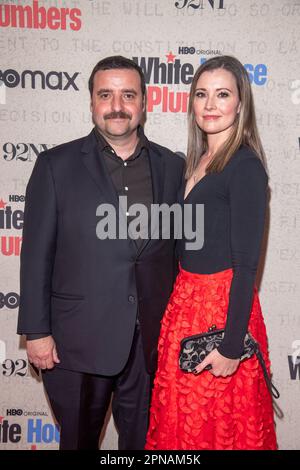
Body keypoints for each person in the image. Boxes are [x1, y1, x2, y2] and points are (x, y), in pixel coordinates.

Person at [17, 55, 185, 450]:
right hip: (76, 344)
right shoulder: (55, 165)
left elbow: (179, 253)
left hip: (149, 345)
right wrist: (37, 332)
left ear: (145, 102)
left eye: (128, 95)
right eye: (105, 94)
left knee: (144, 446)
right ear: (92, 102)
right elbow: (37, 254)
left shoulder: (173, 168)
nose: (117, 106)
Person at [145, 55, 277, 450]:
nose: (210, 104)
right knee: (179, 426)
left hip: (221, 315)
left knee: (216, 428)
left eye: (222, 94)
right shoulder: (194, 163)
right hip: (185, 306)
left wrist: (232, 346)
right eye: (201, 94)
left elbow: (246, 265)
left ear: (241, 103)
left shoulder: (246, 167)